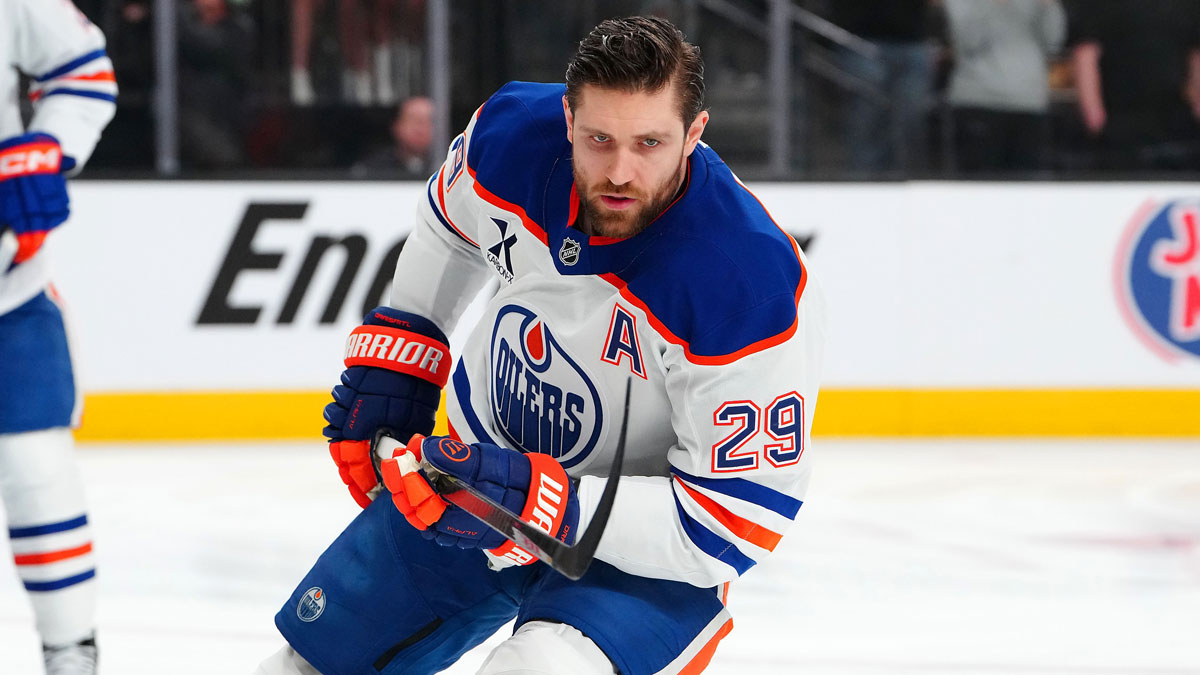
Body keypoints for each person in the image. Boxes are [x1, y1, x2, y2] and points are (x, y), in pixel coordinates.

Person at [256, 15, 825, 675]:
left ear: (694, 133)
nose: (620, 170)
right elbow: (450, 221)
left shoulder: (744, 283)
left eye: (650, 143)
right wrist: (407, 342)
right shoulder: (510, 135)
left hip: (637, 552)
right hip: (476, 474)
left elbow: (729, 525)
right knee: (297, 668)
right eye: (599, 138)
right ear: (566, 119)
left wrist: (550, 501)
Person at [0, 0, 117, 672]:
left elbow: (81, 72)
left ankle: (70, 649)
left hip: (9, 293)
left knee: (38, 469)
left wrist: (46, 151)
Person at [1070, 0, 1200, 171]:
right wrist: (1093, 113)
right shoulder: (1100, 4)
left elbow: (1195, 56)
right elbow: (1086, 55)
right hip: (1119, 119)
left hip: (1175, 118)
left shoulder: (1188, 5)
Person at [944, 0, 1066, 173]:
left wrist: (1047, 7)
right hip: (978, 101)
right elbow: (967, 42)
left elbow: (1054, 43)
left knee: (1029, 192)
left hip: (1029, 103)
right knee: (977, 191)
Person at [830, 0, 937, 175]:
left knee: (912, 120)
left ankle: (906, 182)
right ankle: (862, 185)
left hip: (913, 39)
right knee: (867, 120)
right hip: (862, 38)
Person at [352, 96, 435, 177]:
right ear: (396, 126)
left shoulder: (445, 167)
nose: (420, 129)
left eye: (428, 122)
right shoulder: (372, 169)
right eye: (413, 120)